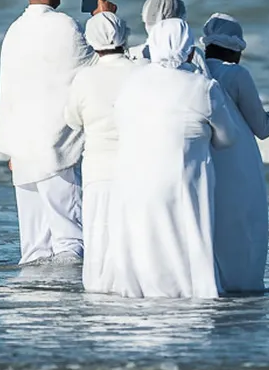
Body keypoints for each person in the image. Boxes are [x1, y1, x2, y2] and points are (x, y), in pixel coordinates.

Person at [98, 18, 240, 298]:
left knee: (144, 243)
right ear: (190, 50)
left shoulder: (132, 83)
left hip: (130, 181)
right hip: (180, 182)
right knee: (184, 245)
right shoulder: (203, 87)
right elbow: (228, 139)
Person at [0, 0, 114, 264]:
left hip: (22, 151)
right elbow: (102, 66)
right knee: (70, 243)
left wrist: (12, 148)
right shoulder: (64, 25)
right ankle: (63, 297)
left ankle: (33, 296)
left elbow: (9, 93)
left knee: (34, 250)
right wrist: (104, 21)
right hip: (55, 149)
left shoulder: (14, 30)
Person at [200, 13, 269, 292]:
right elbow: (263, 127)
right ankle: (243, 289)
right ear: (236, 49)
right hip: (238, 166)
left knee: (210, 228)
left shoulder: (192, 72)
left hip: (202, 164)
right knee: (243, 229)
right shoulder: (236, 74)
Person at [63, 12, 136, 291]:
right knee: (131, 236)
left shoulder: (85, 78)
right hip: (135, 167)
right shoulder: (140, 70)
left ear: (91, 41)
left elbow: (72, 120)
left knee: (99, 237)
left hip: (98, 170)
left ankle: (100, 292)